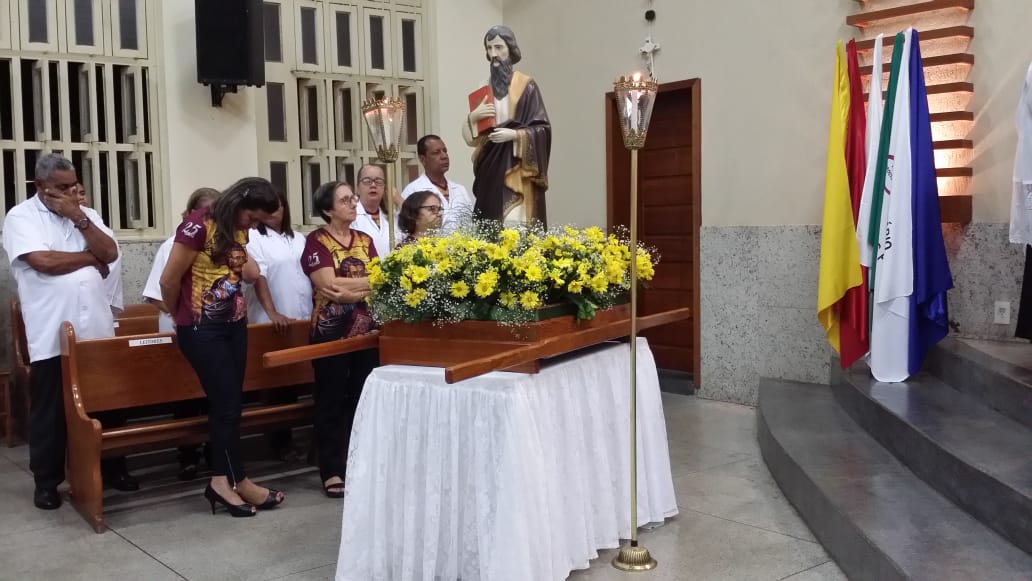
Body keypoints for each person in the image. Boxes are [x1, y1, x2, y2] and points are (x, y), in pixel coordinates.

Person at [2, 154, 137, 510]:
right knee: (51, 411)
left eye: (72, 185)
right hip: (51, 328)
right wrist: (90, 259)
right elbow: (43, 261)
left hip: (96, 326)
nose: (69, 193)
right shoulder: (21, 217)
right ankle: (47, 483)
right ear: (40, 186)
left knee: (107, 402)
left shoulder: (86, 215)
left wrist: (79, 218)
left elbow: (109, 252)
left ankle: (114, 468)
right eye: (61, 188)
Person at [159, 177, 285, 517]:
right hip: (202, 327)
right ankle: (225, 481)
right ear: (238, 204)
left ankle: (233, 479)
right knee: (226, 406)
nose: (254, 225)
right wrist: (178, 312)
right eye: (253, 217)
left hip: (233, 325)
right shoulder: (197, 226)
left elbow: (248, 273)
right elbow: (168, 280)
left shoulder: (236, 228)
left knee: (231, 406)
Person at [301, 181, 378, 498]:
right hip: (329, 333)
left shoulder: (365, 240)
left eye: (353, 198)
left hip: (366, 331)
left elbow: (380, 279)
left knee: (363, 397)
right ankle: (332, 470)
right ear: (327, 209)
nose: (353, 203)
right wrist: (363, 286)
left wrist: (351, 289)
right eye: (345, 200)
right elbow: (328, 286)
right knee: (330, 399)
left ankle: (361, 464)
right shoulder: (316, 241)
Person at [142, 187, 217, 481]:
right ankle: (187, 456)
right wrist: (183, 313)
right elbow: (155, 293)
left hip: (211, 331)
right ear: (190, 214)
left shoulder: (221, 243)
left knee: (212, 395)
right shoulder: (173, 245)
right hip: (180, 330)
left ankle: (214, 452)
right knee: (186, 396)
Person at [244, 187, 311, 459]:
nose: (274, 212)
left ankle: (305, 437)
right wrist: (272, 312)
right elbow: (258, 276)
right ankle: (279, 441)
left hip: (302, 316)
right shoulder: (254, 237)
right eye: (268, 208)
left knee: (301, 379)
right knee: (278, 384)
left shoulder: (299, 238)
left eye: (278, 206)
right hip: (272, 320)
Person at [462, 25, 551, 226]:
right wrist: (472, 118)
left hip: (517, 168)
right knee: (490, 225)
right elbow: (472, 139)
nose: (493, 54)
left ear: (510, 49)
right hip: (490, 166)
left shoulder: (526, 85)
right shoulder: (483, 86)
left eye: (499, 47)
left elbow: (543, 129)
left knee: (514, 223)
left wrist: (515, 136)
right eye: (489, 48)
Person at [400, 135, 473, 232]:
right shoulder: (413, 190)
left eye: (445, 151)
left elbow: (471, 223)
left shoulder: (460, 190)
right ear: (423, 159)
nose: (444, 156)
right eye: (436, 153)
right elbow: (404, 230)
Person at [75, 182, 124, 315]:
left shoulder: (91, 215)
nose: (80, 197)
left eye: (82, 193)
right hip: (85, 296)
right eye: (74, 194)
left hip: (106, 294)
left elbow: (110, 252)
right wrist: (92, 259)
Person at [351, 164, 393, 258]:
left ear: (384, 188)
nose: (373, 185)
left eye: (378, 181)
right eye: (367, 181)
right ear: (357, 188)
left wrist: (397, 199)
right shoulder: (350, 217)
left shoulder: (392, 217)